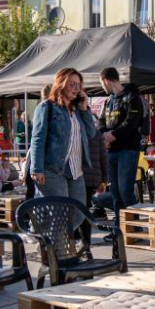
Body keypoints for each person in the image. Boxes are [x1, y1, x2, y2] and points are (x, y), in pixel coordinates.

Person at [30, 68, 96, 229]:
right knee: (59, 213)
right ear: (61, 84)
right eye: (72, 84)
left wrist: (84, 108)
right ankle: (55, 247)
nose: (76, 88)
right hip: (52, 168)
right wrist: (36, 168)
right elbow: (38, 138)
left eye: (78, 85)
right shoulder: (47, 107)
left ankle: (46, 237)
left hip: (75, 170)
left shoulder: (77, 110)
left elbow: (91, 133)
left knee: (79, 213)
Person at [98, 67, 144, 219]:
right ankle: (120, 230)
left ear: (106, 81)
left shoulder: (132, 97)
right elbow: (101, 122)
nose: (102, 87)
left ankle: (134, 228)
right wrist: (104, 134)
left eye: (102, 84)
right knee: (115, 193)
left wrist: (113, 135)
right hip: (111, 151)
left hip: (128, 150)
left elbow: (132, 122)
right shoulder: (109, 100)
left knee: (125, 190)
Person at [80, 127, 109, 256]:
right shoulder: (95, 131)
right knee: (84, 209)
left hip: (79, 176)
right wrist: (103, 179)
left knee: (78, 210)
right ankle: (86, 247)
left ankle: (82, 246)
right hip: (92, 177)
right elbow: (103, 156)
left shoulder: (73, 126)